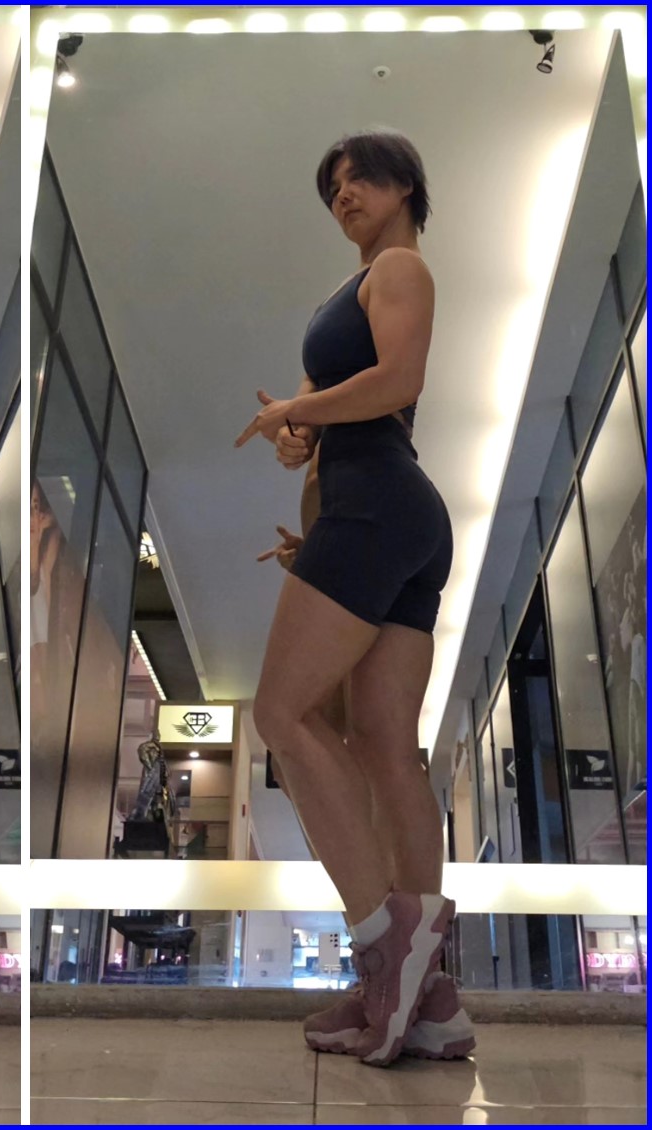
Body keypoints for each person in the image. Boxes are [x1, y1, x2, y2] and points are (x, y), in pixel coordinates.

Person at [235, 131, 464, 1067]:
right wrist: (299, 435)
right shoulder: (357, 287)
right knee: (384, 747)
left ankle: (383, 947)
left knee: (281, 715)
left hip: (376, 510)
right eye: (331, 186)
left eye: (359, 178)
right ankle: (432, 999)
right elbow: (329, 414)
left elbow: (398, 382)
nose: (342, 195)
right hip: (388, 515)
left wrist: (296, 413)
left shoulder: (400, 268)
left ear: (405, 184)